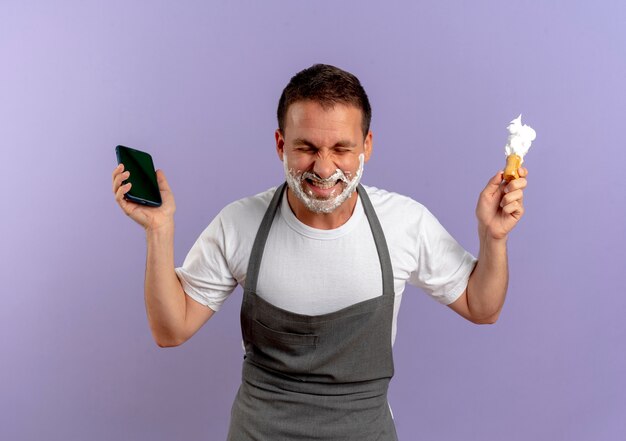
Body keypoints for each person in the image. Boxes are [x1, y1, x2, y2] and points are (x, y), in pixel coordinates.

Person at [112, 64, 528, 440]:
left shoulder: (405, 223)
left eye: (341, 149)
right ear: (280, 144)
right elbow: (171, 330)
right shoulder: (239, 223)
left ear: (367, 146)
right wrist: (159, 231)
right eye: (307, 148)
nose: (324, 169)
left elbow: (481, 306)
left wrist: (493, 238)